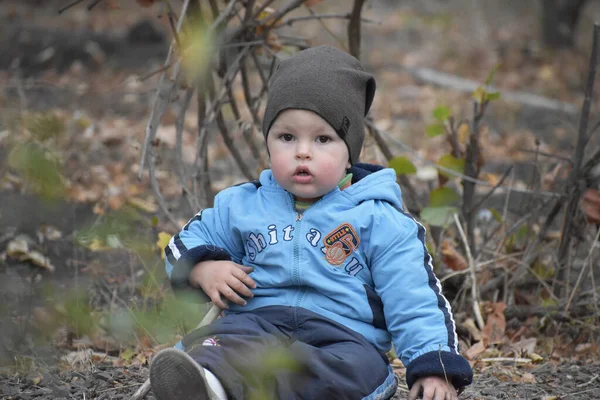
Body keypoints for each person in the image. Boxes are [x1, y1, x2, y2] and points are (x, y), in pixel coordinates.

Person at [150, 45, 473, 400]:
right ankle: (209, 385)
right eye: (287, 137)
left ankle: (251, 388)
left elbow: (412, 298)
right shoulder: (243, 205)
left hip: (344, 338)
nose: (303, 151)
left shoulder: (379, 218)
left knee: (354, 368)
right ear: (269, 142)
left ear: (349, 151)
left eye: (323, 139)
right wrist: (203, 269)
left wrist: (434, 366)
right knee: (220, 345)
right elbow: (184, 242)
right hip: (257, 325)